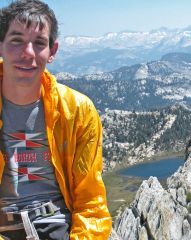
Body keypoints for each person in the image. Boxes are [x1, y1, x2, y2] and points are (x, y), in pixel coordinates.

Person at [0, 0, 111, 239]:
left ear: (52, 51)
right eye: (16, 40)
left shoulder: (78, 111)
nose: (27, 53)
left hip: (58, 228)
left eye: (39, 43)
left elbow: (91, 202)